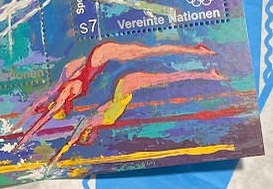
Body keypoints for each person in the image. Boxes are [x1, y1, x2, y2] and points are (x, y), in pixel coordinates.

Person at [8, 40, 214, 151]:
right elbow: (36, 107)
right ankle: (196, 51)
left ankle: (196, 51)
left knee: (150, 52)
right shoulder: (61, 86)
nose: (64, 109)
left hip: (102, 55)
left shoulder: (65, 93)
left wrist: (22, 140)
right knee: (150, 52)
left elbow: (43, 117)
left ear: (62, 107)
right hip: (100, 57)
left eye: (62, 110)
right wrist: (17, 127)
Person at [46, 69, 228, 166]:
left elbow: (72, 140)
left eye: (89, 139)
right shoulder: (100, 119)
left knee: (168, 78)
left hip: (127, 86)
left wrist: (56, 158)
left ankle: (208, 75)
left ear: (86, 135)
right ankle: (207, 75)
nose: (94, 137)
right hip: (127, 87)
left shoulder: (93, 121)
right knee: (167, 78)